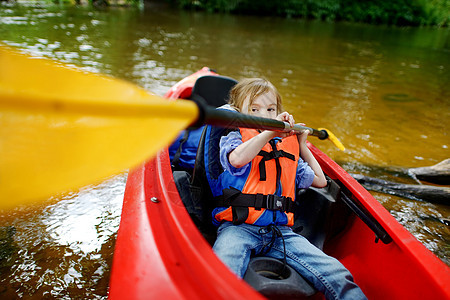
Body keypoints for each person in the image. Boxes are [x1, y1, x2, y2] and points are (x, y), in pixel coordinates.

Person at [211, 78, 367, 300]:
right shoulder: (234, 139)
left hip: (281, 233)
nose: (264, 115)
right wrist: (268, 132)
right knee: (221, 271)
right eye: (254, 109)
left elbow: (321, 181)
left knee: (337, 273)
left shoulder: (287, 148)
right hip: (238, 229)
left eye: (270, 109)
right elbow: (237, 160)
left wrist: (303, 146)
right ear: (240, 114)